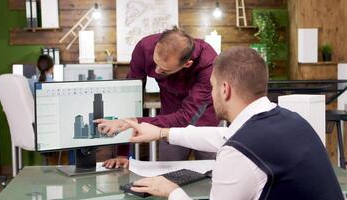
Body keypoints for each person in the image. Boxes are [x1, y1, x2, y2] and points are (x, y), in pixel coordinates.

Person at [121, 47, 343, 199]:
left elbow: (234, 145)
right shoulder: (291, 121)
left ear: (225, 89)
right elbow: (225, 137)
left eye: (212, 86)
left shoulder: (238, 152)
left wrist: (172, 191)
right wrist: (163, 133)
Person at [95, 26, 220, 168]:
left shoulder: (208, 62)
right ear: (156, 45)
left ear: (187, 64)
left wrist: (133, 121)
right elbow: (131, 96)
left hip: (204, 122)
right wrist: (122, 153)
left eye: (164, 70)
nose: (156, 71)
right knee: (168, 173)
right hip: (168, 117)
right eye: (155, 63)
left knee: (211, 173)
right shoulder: (144, 48)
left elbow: (187, 117)